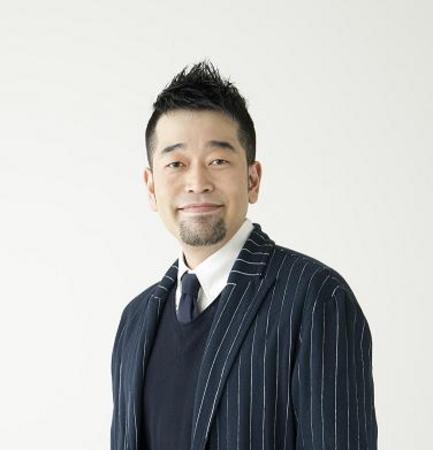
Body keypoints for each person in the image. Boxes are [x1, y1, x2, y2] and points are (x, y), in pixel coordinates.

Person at [110, 60, 378, 450]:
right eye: (176, 164)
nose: (197, 182)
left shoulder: (315, 299)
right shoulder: (134, 321)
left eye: (218, 161)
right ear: (151, 187)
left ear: (252, 179)